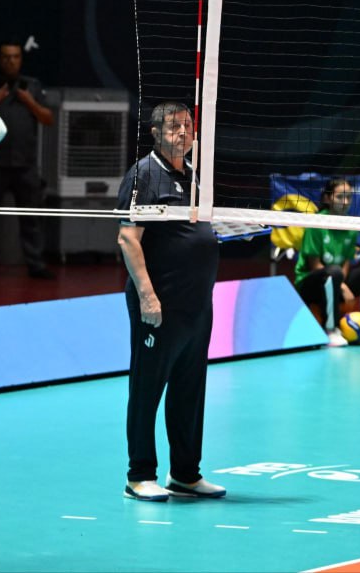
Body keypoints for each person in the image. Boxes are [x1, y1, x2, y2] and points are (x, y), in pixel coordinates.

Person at [116, 102, 226, 502]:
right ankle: (140, 474)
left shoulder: (193, 173)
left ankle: (185, 473)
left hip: (197, 305)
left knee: (189, 390)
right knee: (147, 388)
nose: (183, 132)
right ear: (155, 133)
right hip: (160, 304)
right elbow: (128, 238)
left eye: (188, 126)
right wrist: (148, 297)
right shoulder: (144, 174)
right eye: (174, 126)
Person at [0, 40, 56, 280]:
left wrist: (30, 101)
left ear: (21, 59)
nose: (11, 61)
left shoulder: (32, 86)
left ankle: (36, 264)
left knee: (32, 218)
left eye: (16, 57)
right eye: (6, 57)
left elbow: (48, 119)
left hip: (25, 165)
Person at [293, 177, 360, 347]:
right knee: (333, 272)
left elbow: (345, 262)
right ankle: (330, 329)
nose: (345, 202)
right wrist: (343, 287)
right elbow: (314, 265)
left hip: (336, 279)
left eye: (349, 197)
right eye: (340, 197)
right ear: (327, 198)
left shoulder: (350, 226)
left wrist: (341, 284)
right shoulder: (316, 223)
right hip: (310, 284)